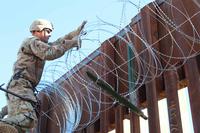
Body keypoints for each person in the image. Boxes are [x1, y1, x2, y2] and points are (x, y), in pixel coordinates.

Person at [0, 19, 87, 133]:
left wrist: (75, 33)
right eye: (48, 31)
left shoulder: (37, 44)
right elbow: (50, 52)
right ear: (39, 30)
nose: (50, 34)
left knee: (19, 128)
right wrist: (73, 43)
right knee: (28, 119)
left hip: (19, 86)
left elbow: (59, 43)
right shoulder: (32, 42)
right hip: (22, 85)